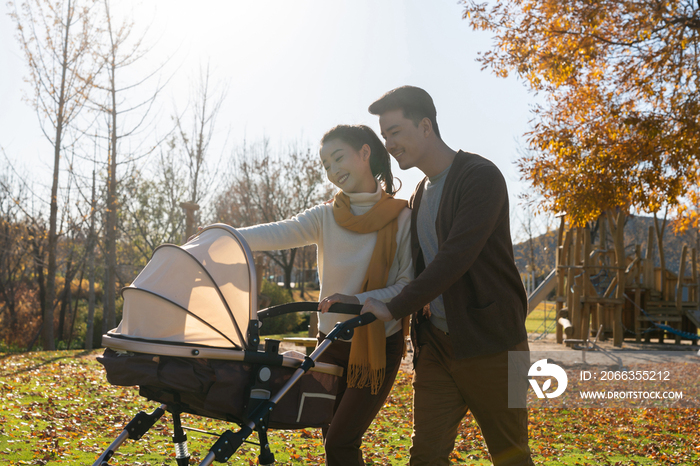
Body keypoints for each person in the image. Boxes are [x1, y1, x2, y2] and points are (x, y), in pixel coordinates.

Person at [360, 86, 534, 466]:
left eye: (395, 131)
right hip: (437, 347)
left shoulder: (481, 176)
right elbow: (419, 266)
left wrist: (394, 307)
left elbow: (456, 258)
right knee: (425, 456)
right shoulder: (421, 192)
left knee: (512, 456)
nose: (388, 143)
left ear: (425, 126)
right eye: (384, 135)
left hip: (498, 345)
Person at [234, 124, 413, 466]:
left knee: (341, 442)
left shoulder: (402, 218)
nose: (332, 171)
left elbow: (406, 286)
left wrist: (354, 301)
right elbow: (277, 232)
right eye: (326, 165)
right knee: (332, 436)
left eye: (338, 158)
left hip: (376, 345)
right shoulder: (325, 216)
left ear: (365, 153)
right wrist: (226, 236)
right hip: (328, 343)